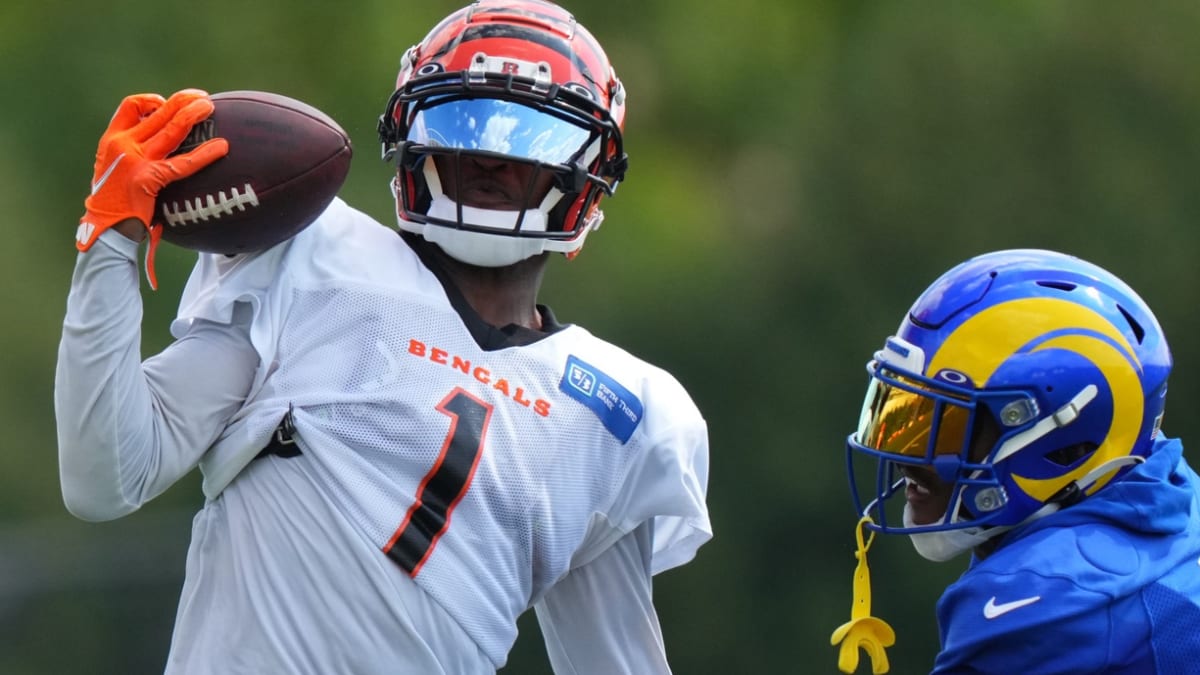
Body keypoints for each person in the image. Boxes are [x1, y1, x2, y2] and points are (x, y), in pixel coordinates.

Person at [55, 1, 711, 673]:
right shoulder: (310, 261)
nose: (490, 157)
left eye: (530, 141)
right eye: (464, 124)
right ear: (412, 139)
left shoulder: (622, 414)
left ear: (586, 177)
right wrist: (111, 241)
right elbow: (106, 475)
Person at [831, 249, 1200, 674]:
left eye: (945, 428)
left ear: (1065, 445)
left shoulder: (1038, 600)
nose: (905, 460)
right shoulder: (1169, 490)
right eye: (906, 414)